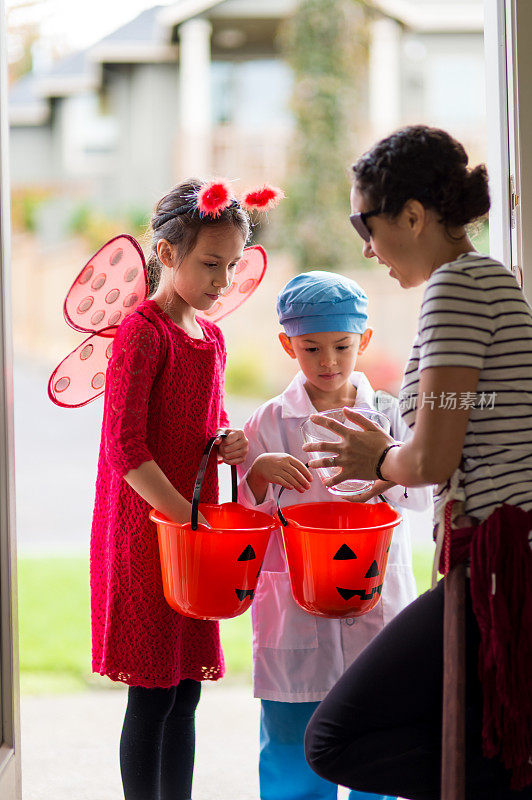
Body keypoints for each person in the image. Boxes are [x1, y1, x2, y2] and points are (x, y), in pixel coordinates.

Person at [303, 126, 532, 799]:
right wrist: (396, 450)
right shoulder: (489, 280)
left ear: (412, 214)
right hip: (503, 555)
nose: (367, 249)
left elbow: (433, 459)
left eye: (365, 225)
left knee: (333, 740)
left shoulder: (453, 291)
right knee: (479, 730)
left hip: (497, 563)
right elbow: (479, 401)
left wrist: (382, 456)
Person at [237, 270, 433, 800]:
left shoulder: (390, 415)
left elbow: (421, 497)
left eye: (342, 346)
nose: (328, 362)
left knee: (379, 739)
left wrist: (385, 471)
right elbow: (241, 518)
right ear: (287, 345)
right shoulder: (270, 422)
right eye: (311, 348)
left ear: (364, 341)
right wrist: (258, 474)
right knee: (291, 744)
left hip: (374, 603)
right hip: (297, 611)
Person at [90, 178, 250, 800]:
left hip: (193, 533)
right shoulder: (143, 332)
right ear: (168, 255)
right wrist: (185, 516)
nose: (222, 279)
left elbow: (204, 423)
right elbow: (127, 448)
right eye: (211, 263)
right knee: (153, 694)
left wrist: (227, 442)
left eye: (232, 265)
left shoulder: (210, 338)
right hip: (148, 532)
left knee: (187, 689)